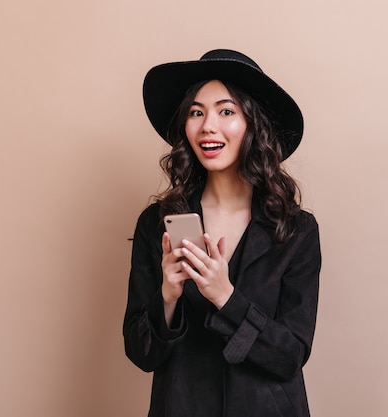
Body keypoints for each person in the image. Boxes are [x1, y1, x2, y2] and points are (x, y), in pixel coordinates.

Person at [123, 49, 322, 417]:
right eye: (196, 112)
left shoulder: (296, 230)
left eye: (226, 111)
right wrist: (168, 296)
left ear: (254, 124)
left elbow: (290, 356)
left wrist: (226, 298)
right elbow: (141, 354)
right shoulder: (158, 223)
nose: (207, 126)